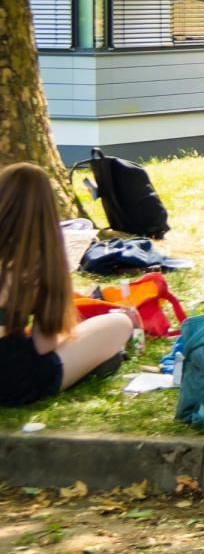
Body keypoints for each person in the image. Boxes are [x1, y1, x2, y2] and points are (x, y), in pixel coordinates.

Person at [1, 163, 137, 408]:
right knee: (119, 323)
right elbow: (45, 346)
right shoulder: (36, 264)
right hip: (12, 383)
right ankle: (94, 361)